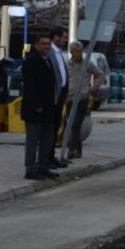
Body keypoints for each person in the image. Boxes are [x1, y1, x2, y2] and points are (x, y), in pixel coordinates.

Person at [21, 34, 59, 181]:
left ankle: (44, 167)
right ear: (36, 45)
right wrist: (36, 105)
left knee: (47, 139)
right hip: (35, 108)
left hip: (48, 108)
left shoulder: (47, 60)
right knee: (33, 140)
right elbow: (30, 86)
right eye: (43, 44)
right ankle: (30, 169)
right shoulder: (31, 61)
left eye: (48, 44)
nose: (46, 47)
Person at [64, 41, 105, 160]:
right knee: (71, 125)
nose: (80, 53)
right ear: (72, 53)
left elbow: (100, 75)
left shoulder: (87, 64)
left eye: (81, 51)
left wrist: (93, 87)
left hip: (82, 98)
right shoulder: (67, 65)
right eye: (77, 51)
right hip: (70, 99)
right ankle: (78, 150)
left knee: (76, 124)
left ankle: (72, 150)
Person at [48, 27, 69, 169]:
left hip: (60, 95)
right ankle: (46, 157)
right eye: (64, 37)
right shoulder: (49, 53)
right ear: (56, 37)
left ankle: (51, 155)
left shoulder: (59, 53)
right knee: (49, 128)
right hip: (52, 96)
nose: (65, 40)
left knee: (56, 126)